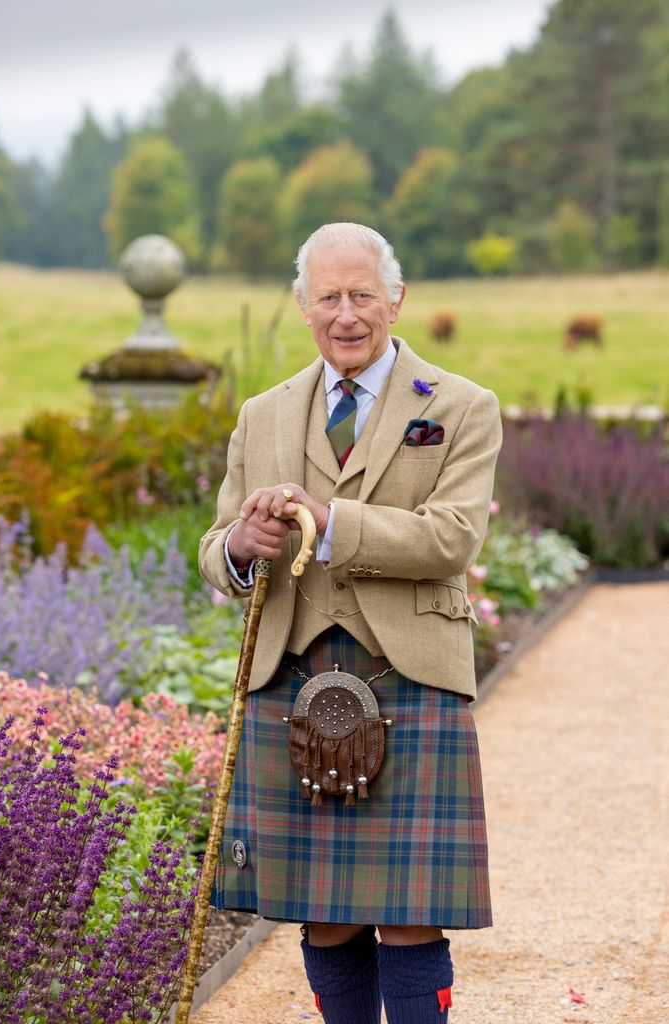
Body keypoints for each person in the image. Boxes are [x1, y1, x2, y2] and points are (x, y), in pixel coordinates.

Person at [199, 222, 502, 1023]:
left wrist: (330, 522)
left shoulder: (463, 407)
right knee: (324, 909)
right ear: (303, 305)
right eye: (328, 296)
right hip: (288, 677)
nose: (346, 314)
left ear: (396, 299)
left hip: (411, 672)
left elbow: (453, 539)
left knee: (407, 910)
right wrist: (240, 543)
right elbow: (217, 545)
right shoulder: (261, 415)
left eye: (362, 294)